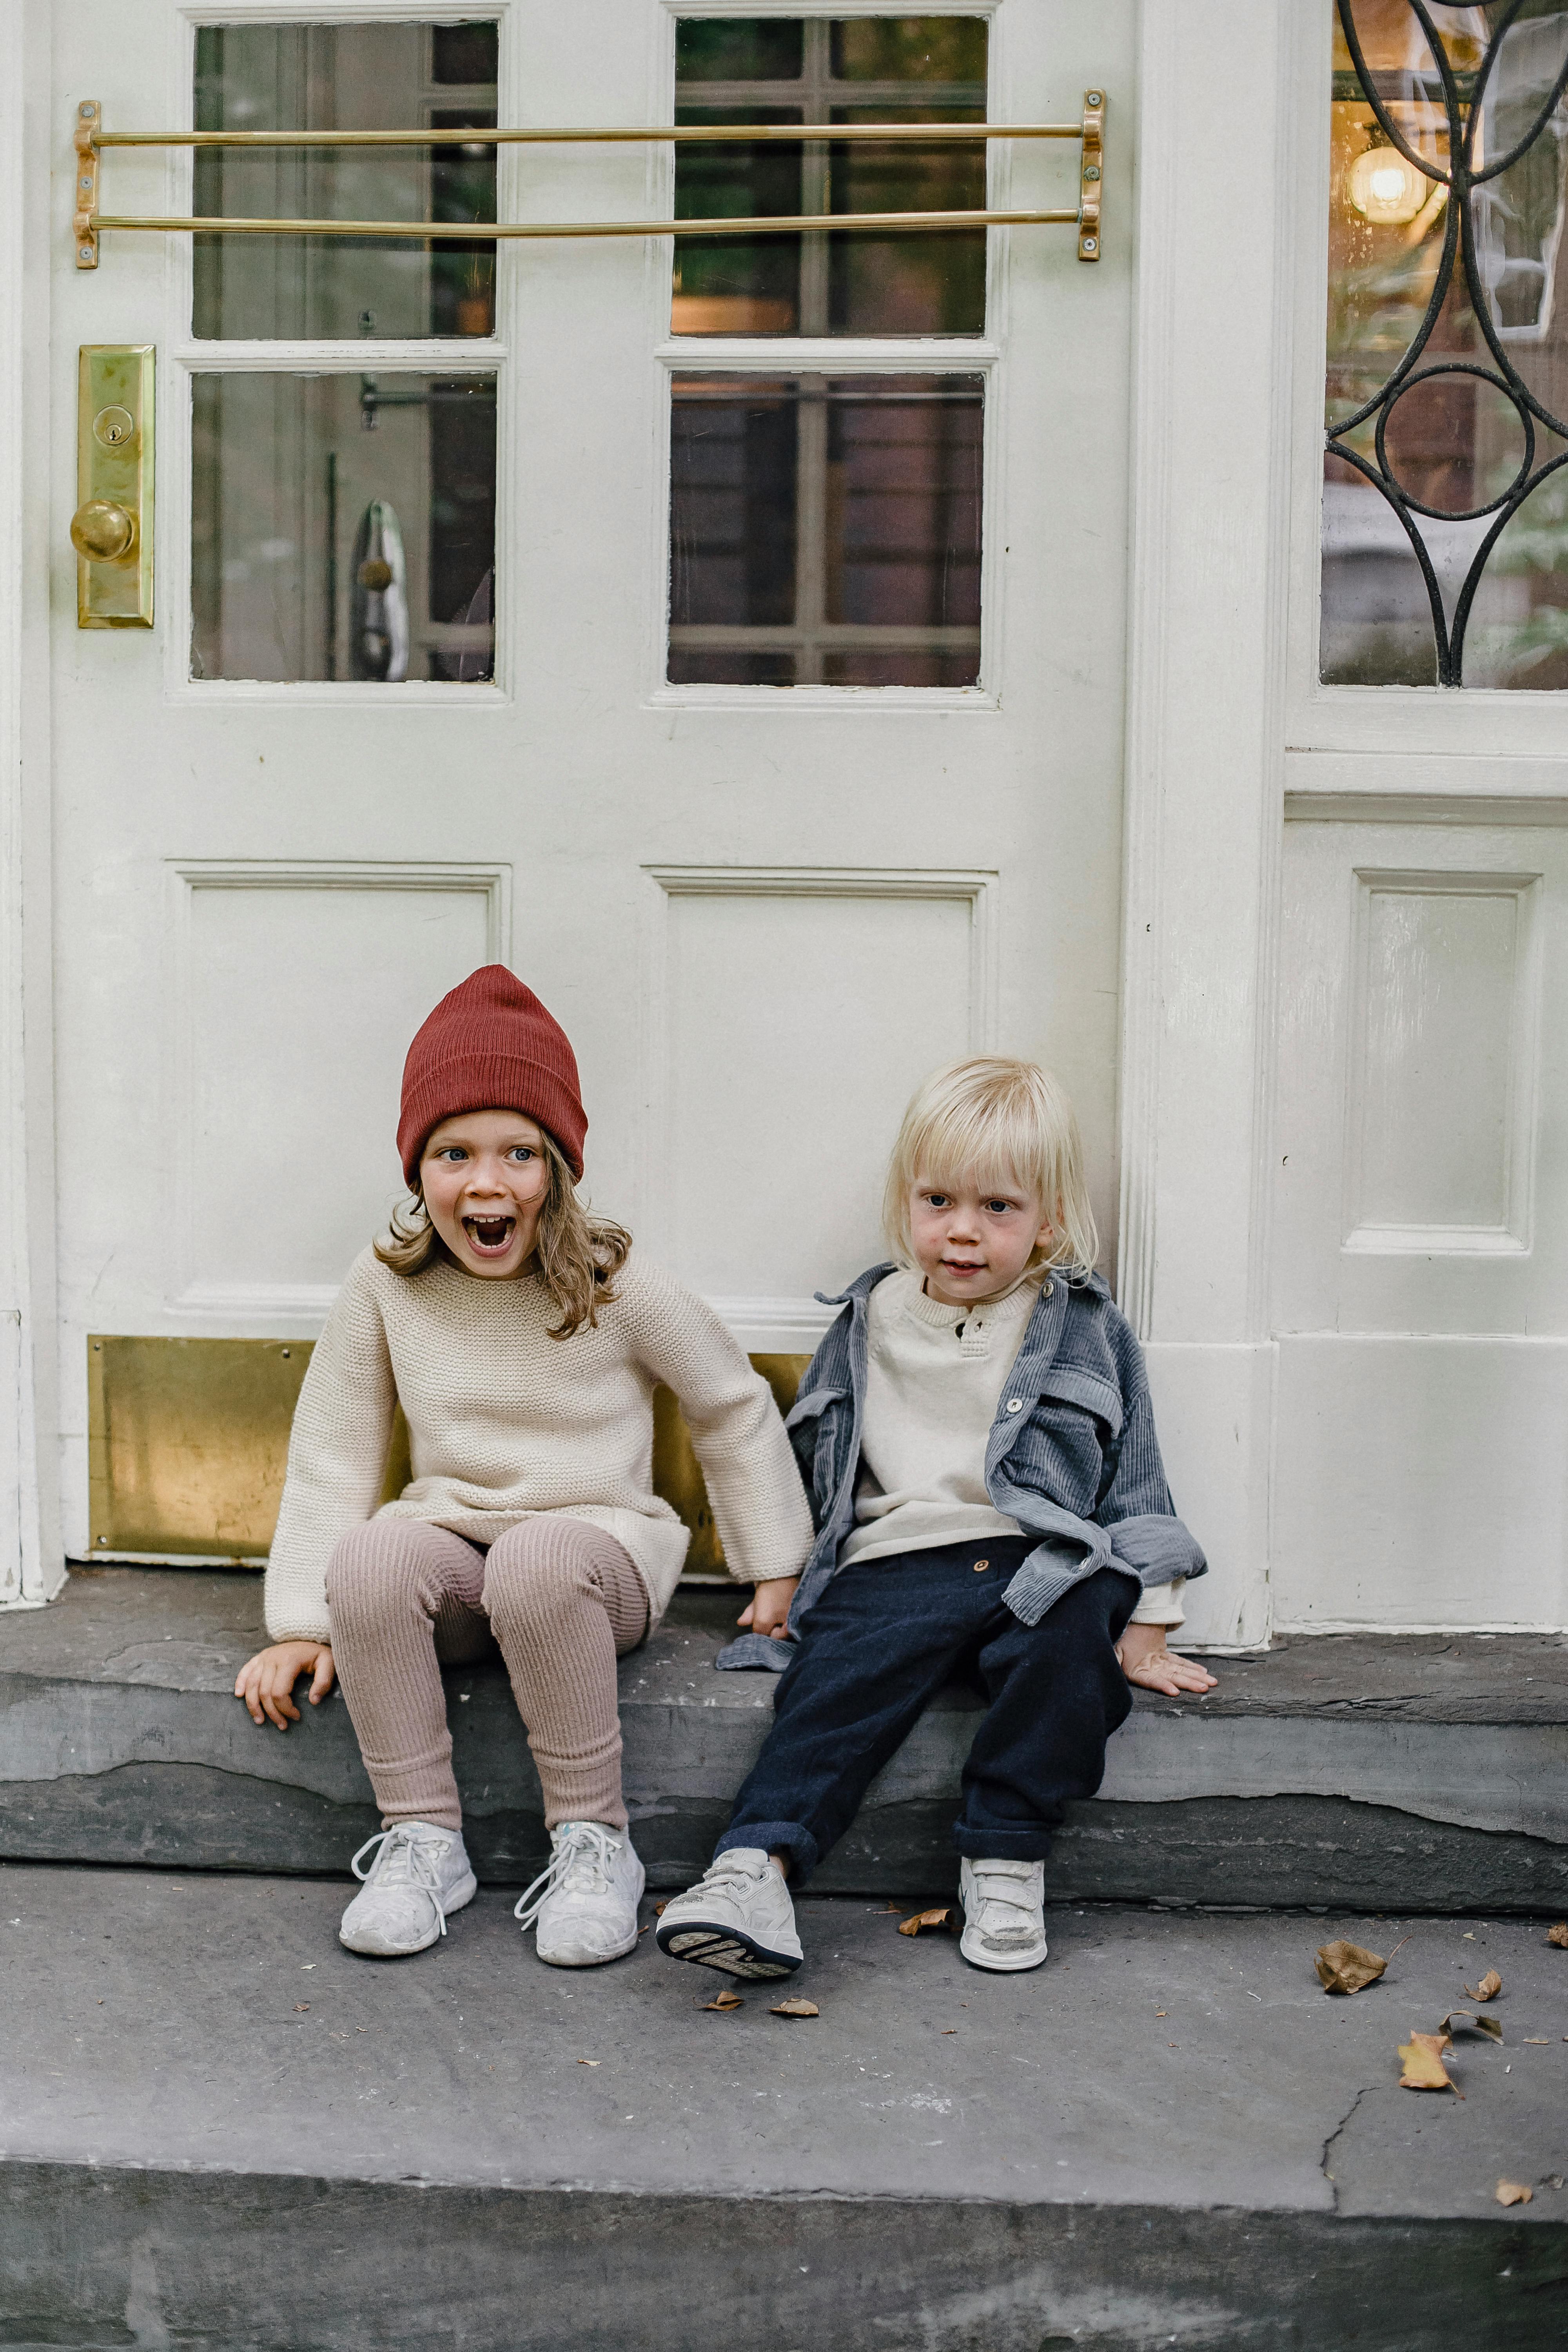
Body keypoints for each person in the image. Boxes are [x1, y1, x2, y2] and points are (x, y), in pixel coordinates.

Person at [233, 965, 812, 1967]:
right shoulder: (386, 1284)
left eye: (518, 1153)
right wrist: (300, 1623)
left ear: (560, 1167)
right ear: (418, 1170)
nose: (486, 1182)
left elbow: (729, 1401)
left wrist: (775, 1562)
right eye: (453, 1153)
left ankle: (595, 1843)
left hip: (594, 1560)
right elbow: (335, 1446)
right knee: (374, 1557)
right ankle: (423, 1841)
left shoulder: (613, 1281)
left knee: (538, 1559)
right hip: (459, 1558)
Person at [657, 1055, 1216, 1982]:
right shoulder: (867, 1316)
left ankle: (1004, 1855)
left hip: (1040, 1562)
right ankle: (752, 1868)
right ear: (906, 1200)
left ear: (1049, 1218)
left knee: (1068, 1653)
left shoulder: (1084, 1326)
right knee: (831, 1690)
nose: (962, 1232)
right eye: (938, 1201)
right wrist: (781, 1571)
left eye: (997, 1208)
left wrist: (1150, 1618)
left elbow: (1135, 1479)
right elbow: (818, 1463)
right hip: (898, 1564)